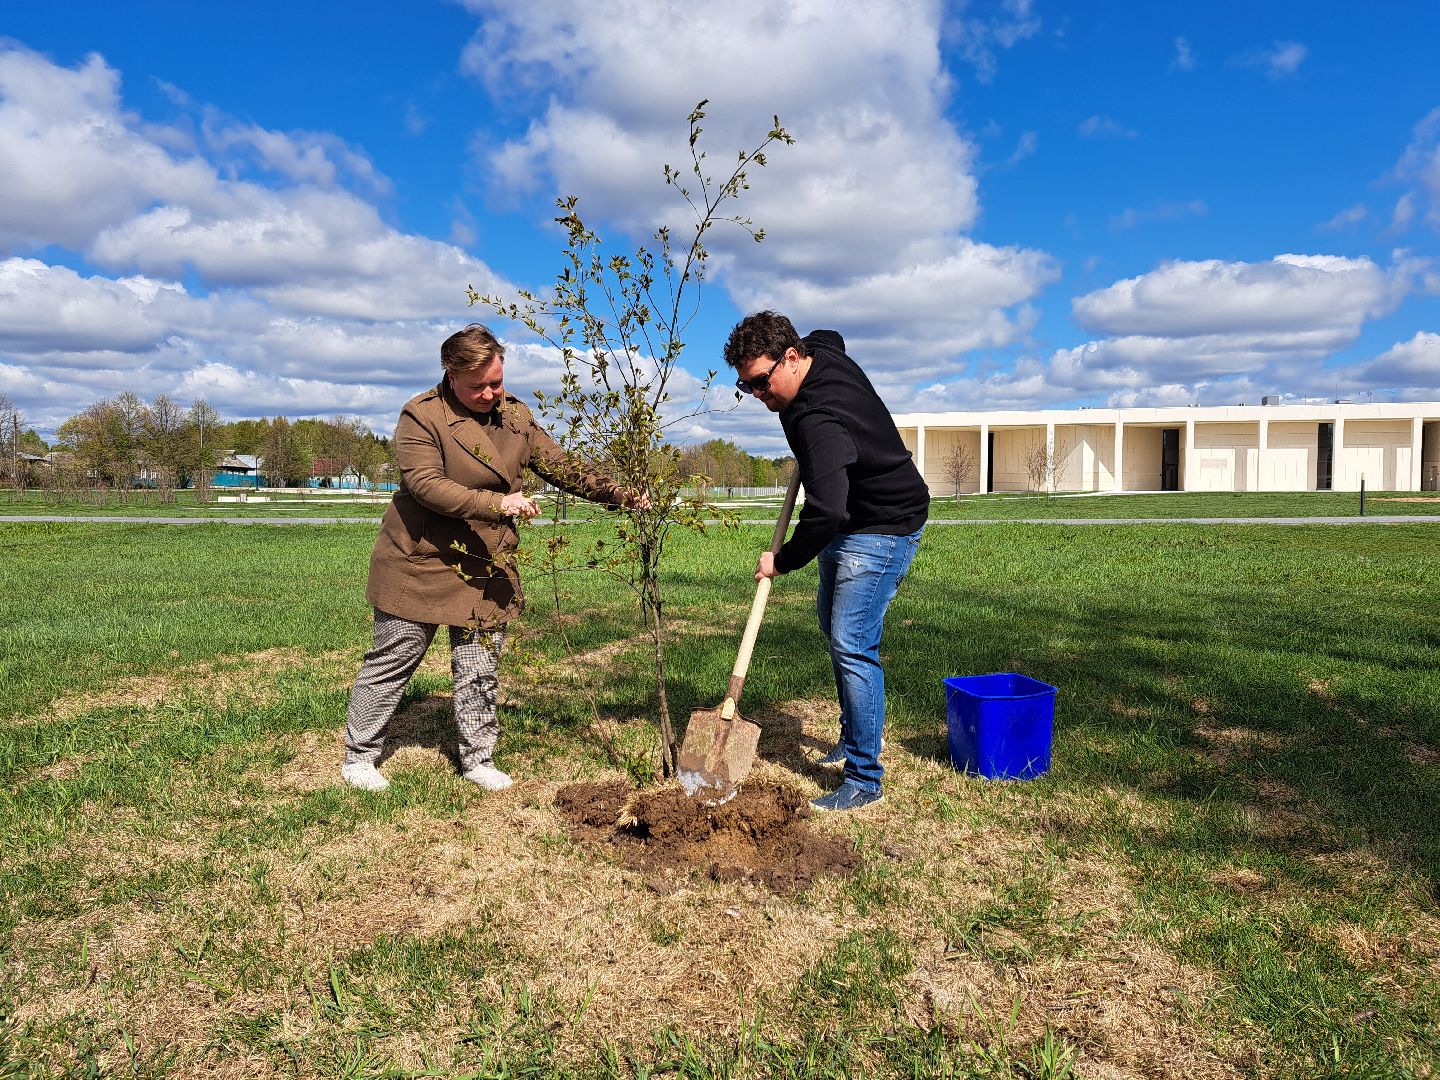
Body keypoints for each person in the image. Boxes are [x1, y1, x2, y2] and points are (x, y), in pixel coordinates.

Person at [341, 323, 645, 793]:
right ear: (451, 375)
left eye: (496, 382)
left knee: (479, 665)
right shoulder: (422, 416)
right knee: (395, 658)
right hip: (421, 558)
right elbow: (426, 485)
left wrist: (619, 493)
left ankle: (477, 758)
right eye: (477, 386)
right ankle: (359, 756)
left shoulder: (515, 415)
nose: (490, 394)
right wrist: (498, 503)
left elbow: (563, 467)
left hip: (486, 562)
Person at [723, 311, 928, 812]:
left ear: (792, 357)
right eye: (746, 386)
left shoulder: (816, 421)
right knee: (834, 630)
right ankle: (853, 734)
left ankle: (864, 777)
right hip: (850, 521)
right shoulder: (822, 351)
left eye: (761, 381)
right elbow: (831, 335)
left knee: (852, 643)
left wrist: (781, 561)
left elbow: (825, 512)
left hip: (882, 525)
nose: (757, 394)